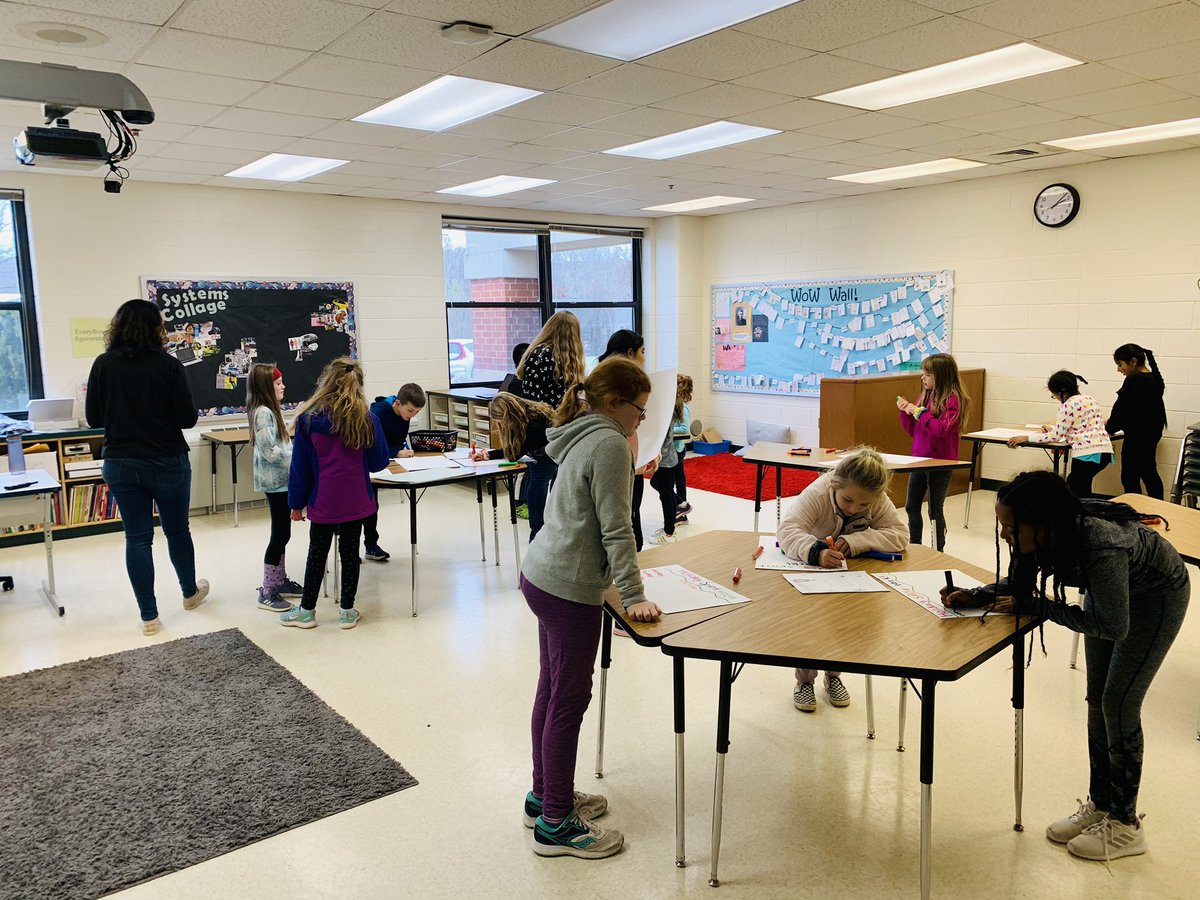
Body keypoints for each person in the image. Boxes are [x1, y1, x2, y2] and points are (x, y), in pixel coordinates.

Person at [941, 471, 1188, 862]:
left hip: (1156, 597)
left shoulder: (1101, 546)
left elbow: (1112, 625)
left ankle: (1126, 824)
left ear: (1042, 524)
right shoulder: (1040, 537)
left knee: (1118, 704)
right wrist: (974, 595)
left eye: (1010, 526)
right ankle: (1101, 803)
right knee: (1096, 701)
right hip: (1108, 595)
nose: (1004, 534)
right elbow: (1017, 588)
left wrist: (1043, 607)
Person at [519, 357, 661, 859]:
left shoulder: (580, 430)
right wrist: (635, 594)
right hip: (569, 587)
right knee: (569, 700)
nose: (641, 420)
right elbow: (616, 527)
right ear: (613, 403)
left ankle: (544, 796)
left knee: (552, 687)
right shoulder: (609, 444)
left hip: (540, 571)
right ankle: (556, 823)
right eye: (639, 412)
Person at [85, 298, 209, 636]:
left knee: (137, 538)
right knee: (177, 530)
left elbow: (94, 418)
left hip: (121, 462)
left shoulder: (103, 364)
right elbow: (187, 418)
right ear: (154, 328)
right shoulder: (168, 365)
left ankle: (149, 616)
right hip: (166, 460)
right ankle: (189, 593)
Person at [776, 447, 907, 712]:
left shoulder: (876, 498)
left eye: (864, 505)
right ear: (835, 484)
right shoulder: (819, 492)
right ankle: (804, 682)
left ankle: (834, 676)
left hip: (852, 577)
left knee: (845, 626)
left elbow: (900, 534)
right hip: (811, 573)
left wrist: (857, 541)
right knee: (811, 628)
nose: (854, 508)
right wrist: (815, 552)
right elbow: (787, 529)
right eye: (848, 500)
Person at [281, 357, 389, 631]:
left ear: (327, 382)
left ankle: (306, 611)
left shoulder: (308, 420)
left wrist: (296, 503)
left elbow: (300, 468)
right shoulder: (368, 419)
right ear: (359, 385)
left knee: (316, 554)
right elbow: (378, 463)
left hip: (323, 502)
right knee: (350, 554)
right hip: (358, 501)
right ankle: (347, 612)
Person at [517, 312, 586, 540]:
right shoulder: (569, 360)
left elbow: (531, 398)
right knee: (555, 478)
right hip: (563, 427)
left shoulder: (536, 354)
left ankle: (537, 531)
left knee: (539, 476)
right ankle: (552, 529)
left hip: (539, 426)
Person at [896, 353, 970, 550]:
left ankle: (939, 549)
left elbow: (940, 430)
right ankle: (915, 546)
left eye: (927, 374)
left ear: (941, 376)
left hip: (941, 462)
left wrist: (919, 412)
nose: (923, 378)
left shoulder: (953, 400)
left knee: (935, 510)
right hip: (920, 460)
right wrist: (905, 413)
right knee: (912, 506)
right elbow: (914, 430)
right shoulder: (925, 396)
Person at [247, 363, 301, 612]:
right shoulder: (263, 413)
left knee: (284, 533)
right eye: (278, 383)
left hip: (281, 482)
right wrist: (296, 458)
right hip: (276, 483)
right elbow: (270, 451)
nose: (283, 387)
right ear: (267, 387)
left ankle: (279, 581)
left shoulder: (269, 411)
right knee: (280, 534)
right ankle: (268, 591)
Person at [1008, 371, 1113, 498]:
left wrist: (1027, 437)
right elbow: (1079, 425)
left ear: (1061, 393)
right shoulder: (1089, 399)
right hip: (1105, 451)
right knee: (1082, 485)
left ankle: (1079, 516)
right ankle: (1085, 513)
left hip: (1087, 453)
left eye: (1054, 395)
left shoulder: (1068, 405)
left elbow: (1055, 437)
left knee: (1076, 487)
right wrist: (1053, 428)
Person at [598, 329, 653, 549]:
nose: (644, 357)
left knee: (631, 517)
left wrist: (651, 451)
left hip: (632, 457)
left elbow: (639, 426)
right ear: (630, 352)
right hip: (619, 458)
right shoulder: (612, 382)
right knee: (624, 522)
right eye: (642, 351)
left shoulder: (625, 381)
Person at [468, 394, 553, 528]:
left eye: (500, 422)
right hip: (547, 457)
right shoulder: (530, 412)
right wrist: (489, 455)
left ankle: (536, 534)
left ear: (507, 416)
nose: (501, 426)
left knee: (537, 490)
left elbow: (514, 453)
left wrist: (489, 454)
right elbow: (515, 449)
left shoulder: (535, 426)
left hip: (548, 459)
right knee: (539, 489)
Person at [362, 383, 425, 561]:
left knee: (372, 507)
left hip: (390, 464)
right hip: (371, 465)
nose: (412, 415)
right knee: (367, 506)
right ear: (397, 404)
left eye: (417, 412)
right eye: (410, 410)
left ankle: (371, 545)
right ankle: (358, 548)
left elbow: (398, 439)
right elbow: (371, 445)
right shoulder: (378, 414)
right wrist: (395, 452)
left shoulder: (404, 416)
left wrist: (401, 450)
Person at [1107, 344, 1166, 499]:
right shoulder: (1153, 378)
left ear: (1133, 361)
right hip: (1151, 434)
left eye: (1120, 364)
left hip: (1138, 436)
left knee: (1129, 476)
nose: (1119, 369)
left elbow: (1122, 407)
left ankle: (1134, 510)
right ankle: (1159, 507)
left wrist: (1110, 426)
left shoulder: (1134, 379)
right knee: (1149, 473)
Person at [672, 375, 694, 523]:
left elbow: (685, 429)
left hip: (676, 449)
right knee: (680, 481)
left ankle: (683, 506)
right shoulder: (673, 405)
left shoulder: (683, 408)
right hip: (675, 448)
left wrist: (667, 429)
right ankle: (682, 514)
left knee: (660, 483)